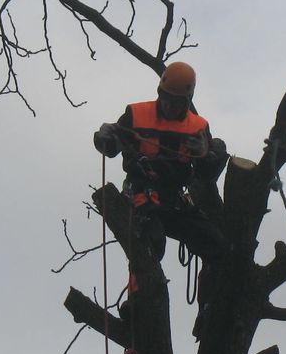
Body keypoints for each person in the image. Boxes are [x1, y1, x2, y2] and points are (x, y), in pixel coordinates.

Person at [93, 61, 228, 338]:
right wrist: (106, 136)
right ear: (160, 94)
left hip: (175, 200)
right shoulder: (137, 115)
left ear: (187, 101)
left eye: (178, 103)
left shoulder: (197, 127)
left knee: (217, 248)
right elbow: (112, 145)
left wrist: (207, 152)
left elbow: (208, 172)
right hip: (142, 194)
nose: (171, 107)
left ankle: (209, 311)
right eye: (167, 100)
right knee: (151, 242)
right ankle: (137, 304)